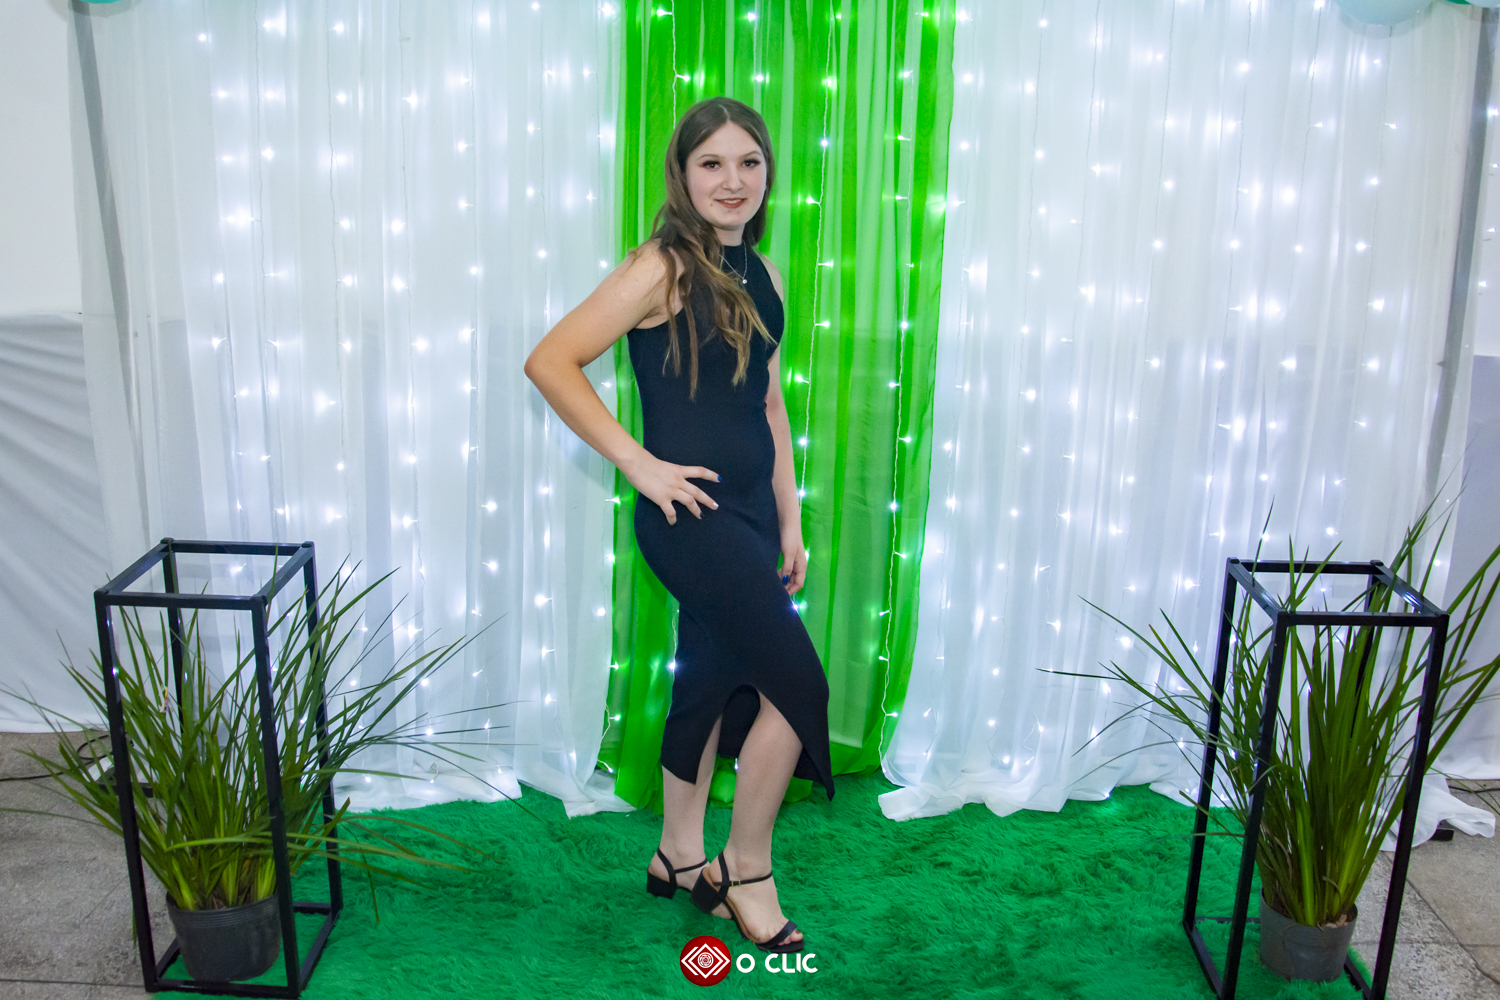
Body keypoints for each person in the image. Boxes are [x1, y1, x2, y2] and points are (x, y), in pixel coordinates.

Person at [523, 96, 834, 955]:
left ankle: (677, 852)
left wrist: (790, 520)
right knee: (799, 689)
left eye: (749, 162)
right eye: (712, 164)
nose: (733, 180)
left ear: (767, 173)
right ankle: (746, 868)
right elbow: (551, 361)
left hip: (750, 517)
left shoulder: (767, 274)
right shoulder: (660, 266)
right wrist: (639, 463)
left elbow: (769, 406)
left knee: (707, 680)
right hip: (688, 518)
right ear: (683, 175)